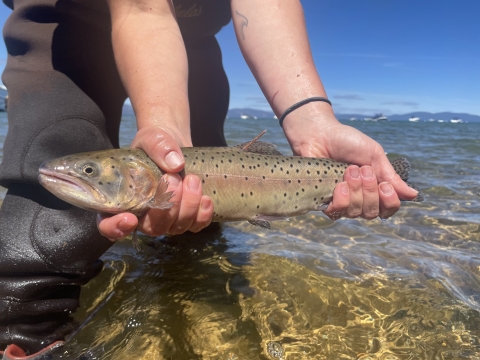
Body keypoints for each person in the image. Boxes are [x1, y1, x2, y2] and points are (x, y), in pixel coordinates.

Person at [0, 0, 418, 357]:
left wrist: (314, 121)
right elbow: (142, 7)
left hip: (193, 38)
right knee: (41, 223)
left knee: (197, 239)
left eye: (91, 172)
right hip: (67, 27)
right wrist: (166, 129)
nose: (86, 173)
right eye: (92, 172)